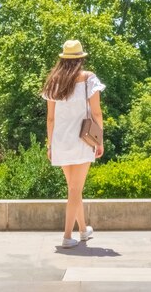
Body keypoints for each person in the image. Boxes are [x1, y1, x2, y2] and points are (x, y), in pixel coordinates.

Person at [42, 39, 105, 248]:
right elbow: (96, 113)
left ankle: (83, 231)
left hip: (60, 141)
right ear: (80, 58)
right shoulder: (89, 79)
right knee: (75, 189)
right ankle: (67, 236)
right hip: (82, 141)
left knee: (74, 189)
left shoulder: (53, 81)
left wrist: (50, 145)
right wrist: (100, 141)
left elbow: (50, 119)